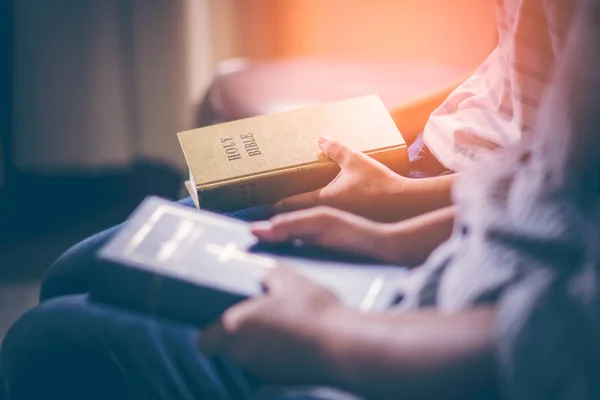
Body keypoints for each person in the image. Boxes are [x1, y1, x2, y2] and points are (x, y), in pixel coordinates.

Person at [2, 1, 600, 399]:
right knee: (74, 271)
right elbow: (535, 148)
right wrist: (376, 133)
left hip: (443, 263)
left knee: (47, 339)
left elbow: (561, 338)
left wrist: (331, 330)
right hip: (447, 213)